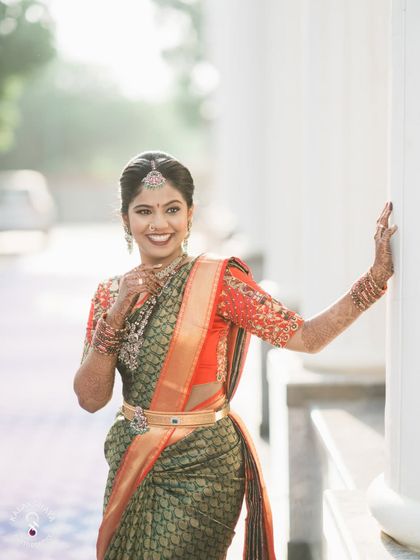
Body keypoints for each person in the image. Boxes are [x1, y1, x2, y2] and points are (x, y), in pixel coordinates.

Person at [73, 150, 397, 560]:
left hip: (203, 470)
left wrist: (374, 280)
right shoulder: (108, 295)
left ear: (190, 214)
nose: (159, 224)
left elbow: (307, 337)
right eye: (144, 211)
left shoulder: (220, 282)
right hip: (132, 462)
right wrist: (117, 314)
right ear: (125, 219)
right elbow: (90, 399)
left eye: (172, 209)